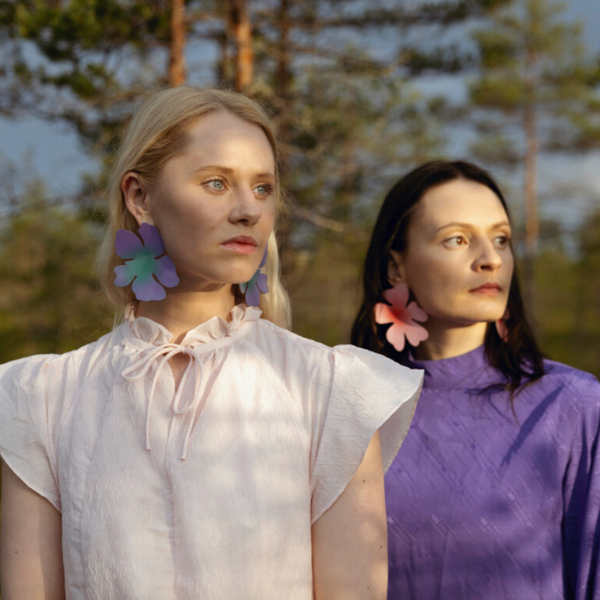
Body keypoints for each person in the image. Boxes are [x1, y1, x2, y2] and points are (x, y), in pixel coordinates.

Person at [0, 86, 423, 600]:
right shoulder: (40, 398)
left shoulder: (332, 391)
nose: (249, 210)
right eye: (217, 183)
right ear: (139, 196)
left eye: (263, 188)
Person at [351, 160, 600, 600]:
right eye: (458, 239)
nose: (490, 259)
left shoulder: (573, 406)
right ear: (396, 267)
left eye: (501, 239)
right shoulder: (348, 406)